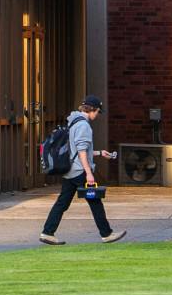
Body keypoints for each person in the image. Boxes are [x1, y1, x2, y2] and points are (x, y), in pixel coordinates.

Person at [40, 95, 126, 245]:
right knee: (95, 202)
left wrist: (99, 153)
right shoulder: (84, 125)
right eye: (98, 111)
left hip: (70, 170)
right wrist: (89, 173)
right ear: (92, 110)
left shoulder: (74, 121)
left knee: (62, 203)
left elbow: (77, 150)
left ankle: (47, 232)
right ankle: (107, 234)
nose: (98, 115)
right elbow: (81, 151)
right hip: (80, 171)